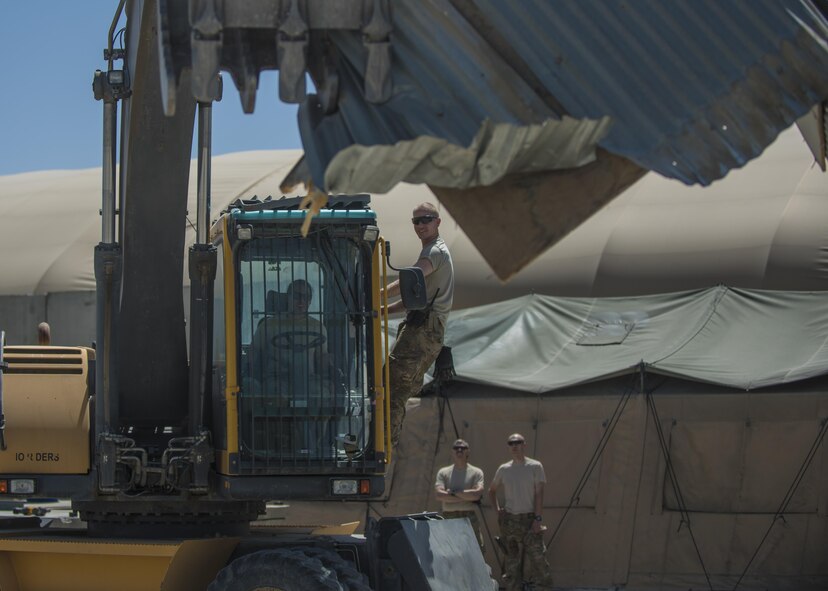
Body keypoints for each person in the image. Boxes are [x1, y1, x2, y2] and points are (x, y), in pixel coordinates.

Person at [382, 202, 454, 447]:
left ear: (437, 222)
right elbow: (415, 297)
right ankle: (383, 444)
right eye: (417, 221)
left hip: (424, 330)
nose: (421, 225)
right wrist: (384, 310)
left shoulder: (434, 252)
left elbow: (412, 277)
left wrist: (377, 293)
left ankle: (382, 448)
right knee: (392, 386)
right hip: (423, 328)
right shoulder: (433, 250)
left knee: (392, 389)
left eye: (427, 219)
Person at [488, 433, 555, 591]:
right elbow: (491, 490)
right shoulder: (504, 469)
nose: (514, 446)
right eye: (511, 443)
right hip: (510, 522)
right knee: (512, 565)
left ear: (524, 445)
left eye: (518, 442)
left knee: (539, 562)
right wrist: (497, 510)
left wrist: (538, 519)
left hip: (530, 520)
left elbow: (539, 494)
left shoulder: (535, 466)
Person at [434, 438, 485, 550]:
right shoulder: (443, 473)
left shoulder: (476, 472)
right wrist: (467, 497)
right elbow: (439, 495)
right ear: (452, 452)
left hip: (469, 516)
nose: (459, 450)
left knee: (475, 550)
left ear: (468, 451)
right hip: (449, 516)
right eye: (456, 448)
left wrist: (452, 493)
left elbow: (477, 494)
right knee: (449, 550)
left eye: (463, 448)